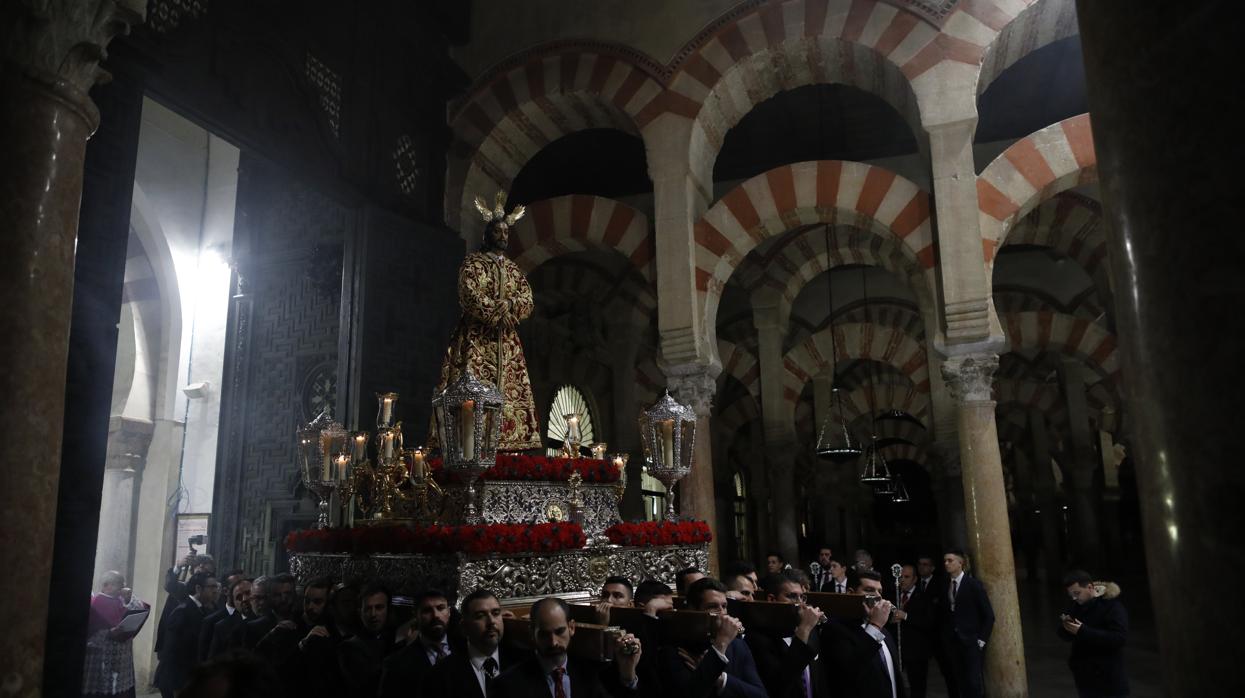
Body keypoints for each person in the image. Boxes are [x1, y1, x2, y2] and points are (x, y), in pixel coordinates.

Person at [432, 193, 541, 451]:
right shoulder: (473, 263)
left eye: (506, 232)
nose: (503, 236)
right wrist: (497, 311)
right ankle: (468, 449)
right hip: (476, 339)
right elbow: (469, 294)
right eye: (498, 231)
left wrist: (511, 306)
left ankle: (509, 445)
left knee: (510, 394)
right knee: (471, 391)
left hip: (507, 343)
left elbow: (526, 298)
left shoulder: (514, 269)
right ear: (488, 234)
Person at [492, 596, 643, 698]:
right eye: (544, 634)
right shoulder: (509, 685)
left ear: (571, 627)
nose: (553, 642)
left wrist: (628, 675)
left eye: (559, 631)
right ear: (532, 632)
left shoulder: (592, 672)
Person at [656, 577, 765, 698]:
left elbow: (760, 694)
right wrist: (720, 645)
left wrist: (721, 679)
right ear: (693, 610)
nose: (722, 613)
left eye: (724, 606)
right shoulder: (675, 649)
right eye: (713, 606)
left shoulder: (738, 645)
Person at [426, 589, 524, 698]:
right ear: (464, 627)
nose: (491, 621)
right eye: (480, 616)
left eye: (496, 613)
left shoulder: (522, 661)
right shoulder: (441, 675)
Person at [824, 569, 906, 697]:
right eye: (869, 590)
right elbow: (849, 673)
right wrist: (875, 626)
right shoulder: (835, 629)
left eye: (880, 591)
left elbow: (894, 677)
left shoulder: (884, 630)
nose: (877, 596)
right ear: (851, 593)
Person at [748, 571, 826, 698]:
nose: (800, 604)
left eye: (802, 597)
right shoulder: (758, 638)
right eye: (792, 596)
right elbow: (779, 685)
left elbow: (820, 681)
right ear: (772, 599)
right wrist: (804, 629)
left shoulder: (811, 632)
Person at [1057, 571, 1129, 697]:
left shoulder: (1112, 606)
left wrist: (1082, 630)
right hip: (1084, 676)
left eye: (1077, 593)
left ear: (1090, 588)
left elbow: (1119, 638)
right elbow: (1064, 635)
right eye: (1071, 595)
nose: (1074, 598)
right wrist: (1066, 627)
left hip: (1109, 677)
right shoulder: (1076, 605)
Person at [935, 549, 993, 698]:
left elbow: (989, 616)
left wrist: (980, 641)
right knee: (959, 681)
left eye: (950, 560)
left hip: (971, 641)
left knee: (973, 682)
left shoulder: (973, 585)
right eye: (945, 561)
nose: (946, 564)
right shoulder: (944, 585)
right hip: (953, 642)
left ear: (960, 563)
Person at [154, 571, 221, 698]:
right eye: (211, 587)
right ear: (198, 588)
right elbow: (172, 653)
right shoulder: (182, 612)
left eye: (216, 587)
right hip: (176, 680)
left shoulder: (207, 609)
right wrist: (178, 686)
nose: (215, 590)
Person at [83, 570, 149, 698]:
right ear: (107, 585)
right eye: (120, 585)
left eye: (123, 584)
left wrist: (129, 597)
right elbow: (89, 632)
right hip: (103, 660)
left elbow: (140, 609)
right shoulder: (96, 602)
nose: (123, 589)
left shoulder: (120, 600)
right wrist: (108, 633)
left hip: (122, 660)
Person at [378, 588, 454, 698]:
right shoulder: (396, 664)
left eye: (440, 608)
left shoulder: (465, 651)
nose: (436, 615)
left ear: (449, 612)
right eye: (427, 610)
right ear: (416, 615)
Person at [339, 582, 398, 698]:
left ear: (388, 609)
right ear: (360, 612)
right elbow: (369, 685)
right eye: (368, 609)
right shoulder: (348, 647)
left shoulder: (393, 638)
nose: (373, 614)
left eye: (379, 607)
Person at [890, 564, 938, 698]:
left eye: (907, 577)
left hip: (917, 651)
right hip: (898, 649)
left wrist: (905, 616)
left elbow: (929, 622)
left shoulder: (924, 596)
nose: (903, 580)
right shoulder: (894, 595)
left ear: (915, 579)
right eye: (901, 577)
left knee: (917, 686)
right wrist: (891, 621)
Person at [198, 571, 247, 661]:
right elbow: (204, 658)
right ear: (225, 591)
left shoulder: (252, 616)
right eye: (236, 585)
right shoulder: (212, 621)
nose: (241, 587)